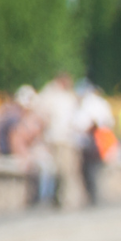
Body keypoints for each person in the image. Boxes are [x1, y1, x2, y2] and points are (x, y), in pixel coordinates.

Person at [34, 72, 83, 208]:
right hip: (57, 138)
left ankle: (63, 198)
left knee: (66, 171)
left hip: (65, 138)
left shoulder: (66, 96)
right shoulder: (52, 95)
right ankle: (58, 198)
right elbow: (42, 115)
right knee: (59, 170)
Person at [75, 83, 115, 207]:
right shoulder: (90, 104)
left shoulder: (94, 104)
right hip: (87, 143)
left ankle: (93, 197)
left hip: (95, 143)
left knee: (92, 171)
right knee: (87, 171)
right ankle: (91, 196)